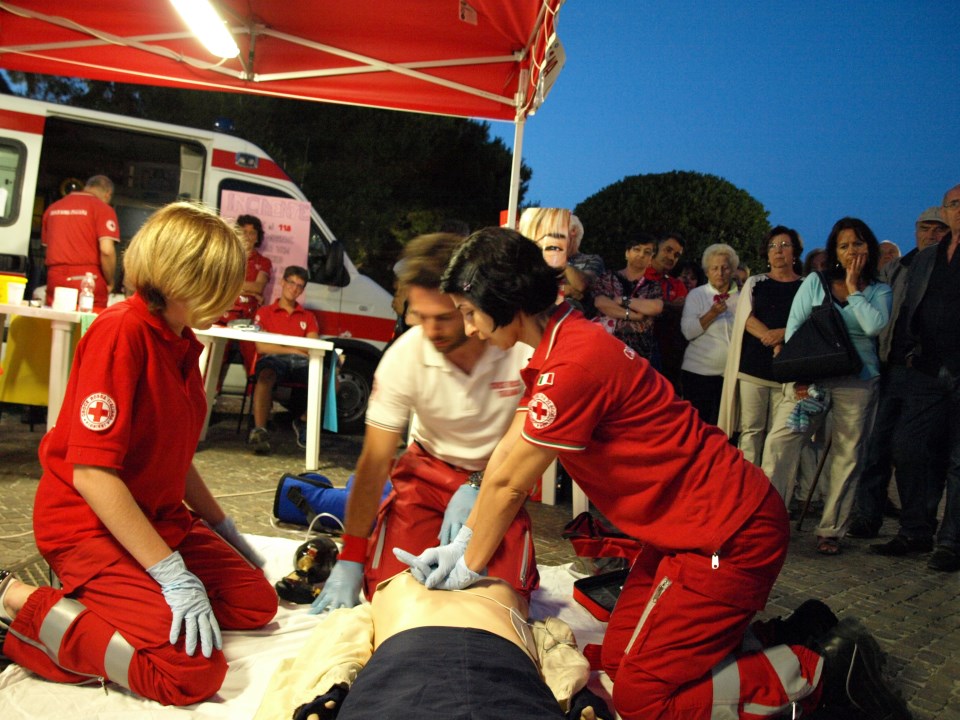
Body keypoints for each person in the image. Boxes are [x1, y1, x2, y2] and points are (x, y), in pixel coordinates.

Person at [394, 226, 910, 720]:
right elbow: (508, 456)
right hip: (692, 532)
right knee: (616, 662)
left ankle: (822, 672)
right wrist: (465, 536)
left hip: (729, 536)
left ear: (502, 299)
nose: (467, 327)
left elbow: (510, 483)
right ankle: (768, 641)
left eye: (467, 312)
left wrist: (469, 565)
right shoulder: (563, 347)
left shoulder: (573, 363)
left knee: (643, 701)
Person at [0, 202, 277, 706]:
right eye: (225, 283)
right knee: (190, 675)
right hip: (88, 527)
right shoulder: (122, 332)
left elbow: (173, 453)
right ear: (185, 280)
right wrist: (171, 574)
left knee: (256, 603)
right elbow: (92, 475)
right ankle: (19, 606)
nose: (236, 296)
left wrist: (222, 526)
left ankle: (111, 599)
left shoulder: (180, 341)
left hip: (155, 519)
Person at [309, 233, 537, 613]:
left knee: (501, 598)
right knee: (392, 586)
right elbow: (373, 463)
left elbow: (530, 450)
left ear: (473, 305)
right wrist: (351, 555)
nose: (431, 331)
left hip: (498, 475)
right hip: (427, 472)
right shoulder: (406, 355)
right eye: (420, 316)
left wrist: (479, 487)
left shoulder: (520, 350)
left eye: (445, 318)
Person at [266, 572, 611, 720]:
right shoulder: (503, 591)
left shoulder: (395, 587)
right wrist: (576, 697)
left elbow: (340, 642)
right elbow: (554, 647)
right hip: (503, 675)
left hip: (403, 676)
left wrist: (329, 692)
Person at [762, 218, 892, 556]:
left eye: (859, 244)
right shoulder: (815, 283)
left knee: (848, 455)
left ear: (869, 248)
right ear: (835, 250)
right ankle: (766, 522)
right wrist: (799, 377)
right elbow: (794, 328)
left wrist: (853, 287)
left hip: (858, 381)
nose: (852, 251)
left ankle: (831, 529)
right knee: (780, 444)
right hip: (813, 382)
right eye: (845, 245)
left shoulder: (879, 290)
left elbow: (874, 326)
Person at [872, 185, 960, 572]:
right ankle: (915, 530)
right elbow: (908, 310)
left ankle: (952, 542)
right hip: (925, 371)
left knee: (957, 461)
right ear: (946, 211)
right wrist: (910, 352)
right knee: (908, 447)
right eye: (955, 204)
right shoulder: (928, 259)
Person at [848, 207, 950, 540]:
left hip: (928, 374)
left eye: (939, 229)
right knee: (875, 446)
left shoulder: (946, 269)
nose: (931, 234)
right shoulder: (896, 268)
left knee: (915, 451)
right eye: (925, 228)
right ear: (916, 230)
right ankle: (867, 515)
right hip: (888, 366)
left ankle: (917, 523)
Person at [718, 226, 804, 464]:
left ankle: (773, 486)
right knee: (751, 430)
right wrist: (769, 335)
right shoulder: (756, 282)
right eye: (773, 246)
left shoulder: (806, 285)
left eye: (785, 245)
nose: (778, 251)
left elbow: (809, 319)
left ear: (795, 252)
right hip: (753, 367)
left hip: (788, 370)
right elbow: (745, 317)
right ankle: (749, 484)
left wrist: (783, 334)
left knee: (779, 434)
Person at [247, 265, 321, 454]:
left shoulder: (309, 316)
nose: (294, 288)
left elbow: (312, 346)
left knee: (329, 380)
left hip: (301, 363)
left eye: (299, 286)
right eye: (291, 283)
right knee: (265, 375)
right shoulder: (264, 312)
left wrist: (295, 350)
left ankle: (303, 421)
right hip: (274, 360)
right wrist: (293, 349)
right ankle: (260, 431)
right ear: (282, 282)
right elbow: (262, 347)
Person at [680, 243, 740, 425]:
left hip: (731, 376)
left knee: (726, 427)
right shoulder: (697, 295)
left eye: (725, 267)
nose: (720, 272)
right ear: (706, 272)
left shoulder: (743, 296)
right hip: (698, 373)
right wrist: (712, 313)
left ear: (732, 270)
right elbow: (688, 332)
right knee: (698, 425)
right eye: (714, 268)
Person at [42, 174, 120, 309]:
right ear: (108, 194)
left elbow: (47, 249)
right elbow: (106, 250)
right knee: (90, 325)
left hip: (55, 278)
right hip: (88, 279)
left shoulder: (52, 209)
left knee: (56, 324)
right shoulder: (103, 209)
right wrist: (110, 281)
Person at [592, 233, 664, 367]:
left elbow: (655, 307)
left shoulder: (653, 286)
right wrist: (633, 315)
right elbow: (601, 303)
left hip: (640, 356)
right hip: (607, 349)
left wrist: (622, 300)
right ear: (627, 253)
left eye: (647, 252)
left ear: (650, 260)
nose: (641, 255)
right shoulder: (608, 277)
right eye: (637, 249)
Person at [646, 232, 688, 391]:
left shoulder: (677, 284)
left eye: (676, 255)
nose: (672, 257)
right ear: (655, 249)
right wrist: (670, 305)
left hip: (668, 359)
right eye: (668, 250)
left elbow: (684, 310)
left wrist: (654, 305)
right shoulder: (638, 275)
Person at [220, 214, 273, 325]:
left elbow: (258, 287)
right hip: (222, 311)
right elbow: (220, 283)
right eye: (244, 232)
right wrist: (250, 291)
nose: (248, 236)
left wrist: (232, 285)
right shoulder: (226, 256)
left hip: (248, 317)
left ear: (257, 237)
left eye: (252, 233)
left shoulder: (264, 262)